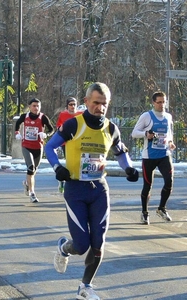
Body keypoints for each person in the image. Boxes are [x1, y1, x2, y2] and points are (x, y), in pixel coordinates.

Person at [45, 82, 139, 300]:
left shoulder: (111, 128)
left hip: (99, 189)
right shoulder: (73, 125)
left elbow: (120, 152)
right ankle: (64, 248)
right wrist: (58, 167)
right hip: (76, 189)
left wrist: (129, 168)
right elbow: (50, 147)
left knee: (98, 243)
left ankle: (85, 286)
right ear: (86, 102)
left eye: (104, 104)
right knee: (81, 244)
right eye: (96, 103)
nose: (101, 108)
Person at [131, 91, 176, 225]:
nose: (162, 105)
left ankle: (162, 208)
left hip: (164, 155)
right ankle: (145, 213)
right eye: (159, 102)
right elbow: (134, 133)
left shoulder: (168, 117)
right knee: (147, 185)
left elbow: (169, 133)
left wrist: (170, 142)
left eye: (164, 102)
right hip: (149, 156)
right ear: (153, 103)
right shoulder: (147, 116)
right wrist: (146, 134)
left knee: (169, 181)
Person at [14, 98, 54, 203]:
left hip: (38, 147)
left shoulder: (43, 117)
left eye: (38, 106)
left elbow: (51, 129)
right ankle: (32, 193)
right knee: (30, 168)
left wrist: (45, 134)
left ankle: (27, 183)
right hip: (26, 146)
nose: (36, 108)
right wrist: (17, 133)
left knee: (34, 170)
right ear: (30, 107)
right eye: (34, 106)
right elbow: (17, 124)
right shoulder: (25, 116)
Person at [55, 97, 83, 193]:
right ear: (67, 106)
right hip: (66, 142)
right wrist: (61, 129)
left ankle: (77, 183)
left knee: (79, 163)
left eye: (74, 104)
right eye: (70, 104)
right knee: (70, 162)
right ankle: (64, 181)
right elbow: (58, 127)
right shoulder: (63, 115)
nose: (73, 106)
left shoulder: (81, 114)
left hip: (78, 142)